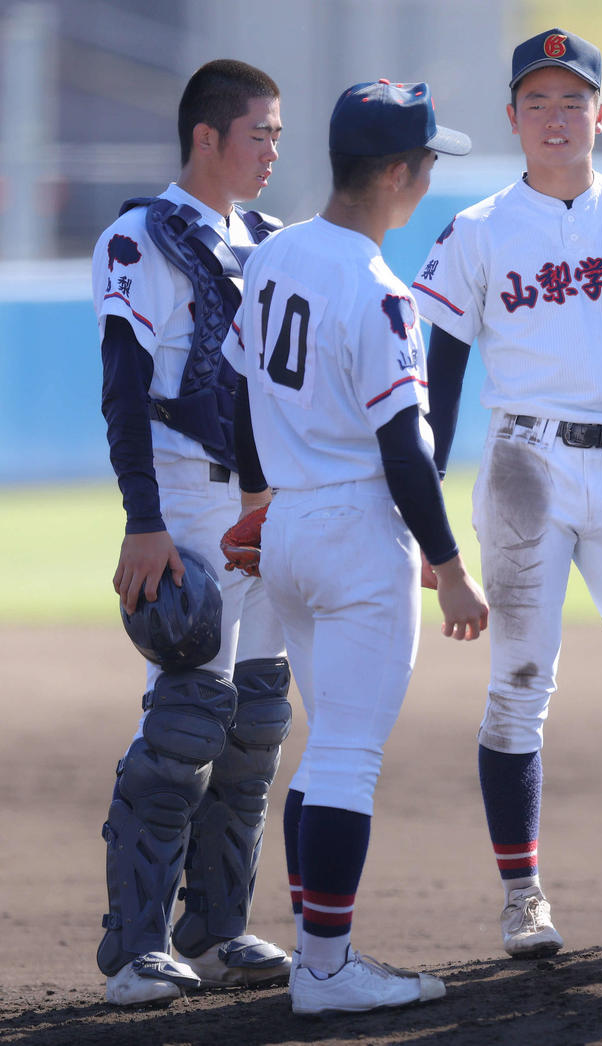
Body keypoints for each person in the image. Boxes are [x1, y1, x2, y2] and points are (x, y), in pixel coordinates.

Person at [411, 27, 602, 960]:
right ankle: (523, 901)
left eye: (573, 99)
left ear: (599, 110)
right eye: (538, 101)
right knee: (518, 687)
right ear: (512, 118)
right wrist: (428, 522)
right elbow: (441, 379)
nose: (557, 117)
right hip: (524, 470)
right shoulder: (476, 231)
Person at [224, 79, 490, 1016]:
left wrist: (261, 497)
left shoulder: (276, 252)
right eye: (424, 163)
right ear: (393, 172)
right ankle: (328, 971)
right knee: (345, 757)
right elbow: (405, 453)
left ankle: (315, 953)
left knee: (323, 747)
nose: (427, 179)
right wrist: (451, 569)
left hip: (292, 527)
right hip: (353, 533)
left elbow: (240, 396)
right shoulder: (379, 292)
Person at [92, 58, 292, 1008]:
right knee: (184, 724)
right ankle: (134, 948)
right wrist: (144, 521)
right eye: (259, 133)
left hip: (263, 509)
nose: (272, 151)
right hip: (183, 498)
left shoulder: (272, 242)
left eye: (279, 135)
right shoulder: (140, 237)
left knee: (256, 720)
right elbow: (125, 389)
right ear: (207, 137)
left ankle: (215, 930)